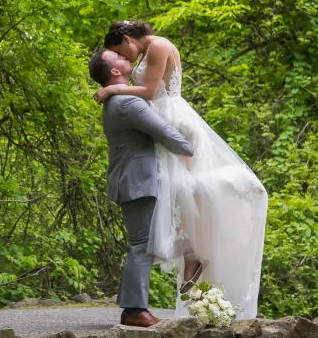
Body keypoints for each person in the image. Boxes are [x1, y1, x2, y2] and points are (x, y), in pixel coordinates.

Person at [94, 20, 268, 319]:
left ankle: (193, 259)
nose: (125, 59)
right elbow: (147, 95)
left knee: (187, 192)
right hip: (159, 129)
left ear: (126, 38)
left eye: (121, 51)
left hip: (172, 121)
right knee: (180, 197)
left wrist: (114, 90)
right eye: (118, 57)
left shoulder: (157, 47)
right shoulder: (129, 92)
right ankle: (190, 260)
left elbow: (149, 91)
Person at [89, 49, 195, 327]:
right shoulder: (126, 103)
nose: (126, 58)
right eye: (119, 58)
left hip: (134, 179)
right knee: (141, 246)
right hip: (136, 181)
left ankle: (133, 309)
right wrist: (191, 148)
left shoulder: (121, 98)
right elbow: (163, 132)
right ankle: (135, 310)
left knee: (141, 245)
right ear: (114, 72)